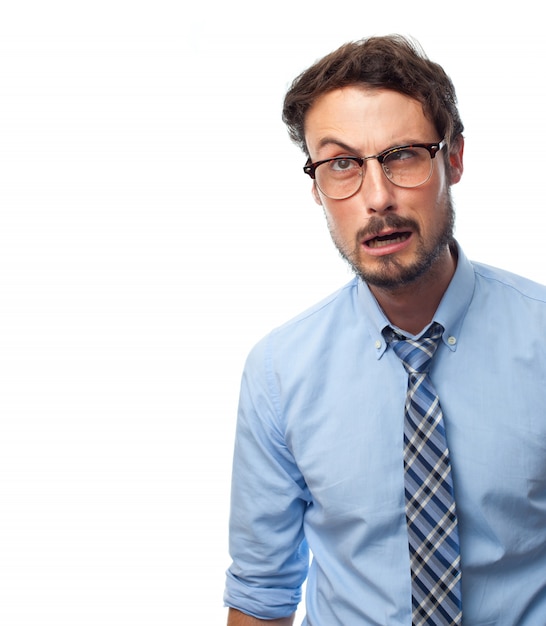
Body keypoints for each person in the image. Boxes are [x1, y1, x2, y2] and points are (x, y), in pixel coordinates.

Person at [223, 35, 546, 625]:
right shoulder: (278, 372)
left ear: (453, 159)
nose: (377, 197)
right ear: (316, 186)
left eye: (402, 155)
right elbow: (261, 591)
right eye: (342, 163)